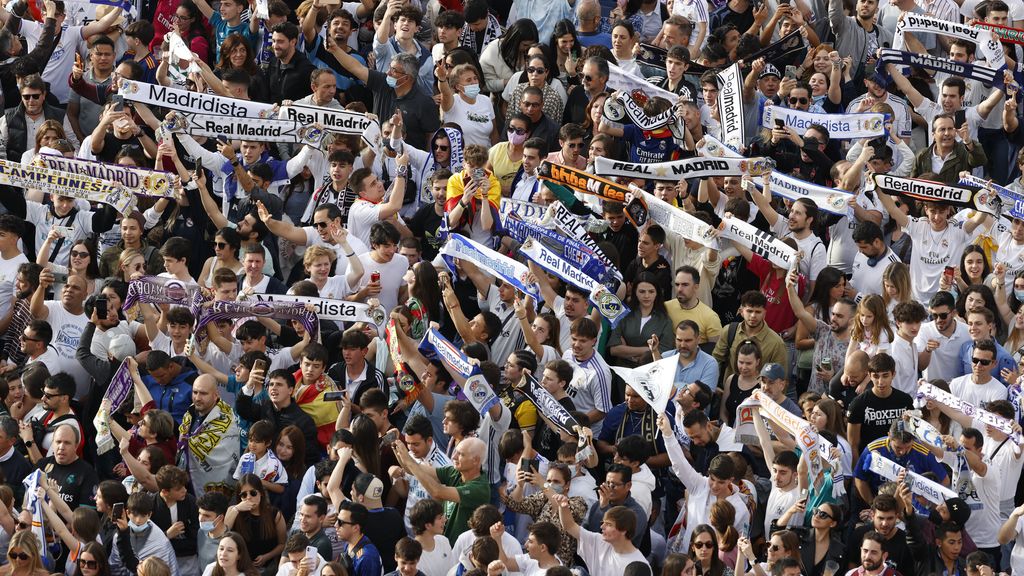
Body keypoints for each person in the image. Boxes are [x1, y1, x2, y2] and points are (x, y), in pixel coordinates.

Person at [392, 436, 490, 543]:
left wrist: (409, 461)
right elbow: (414, 469)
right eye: (455, 452)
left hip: (462, 550)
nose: (454, 457)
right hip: (445, 543)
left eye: (461, 454)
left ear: (475, 460)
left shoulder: (480, 488)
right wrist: (396, 448)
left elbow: (437, 492)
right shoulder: (455, 472)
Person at [554, 492, 650, 573]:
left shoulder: (640, 565)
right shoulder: (598, 541)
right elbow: (569, 526)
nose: (602, 527)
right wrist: (563, 507)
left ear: (624, 530)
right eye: (603, 522)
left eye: (609, 524)